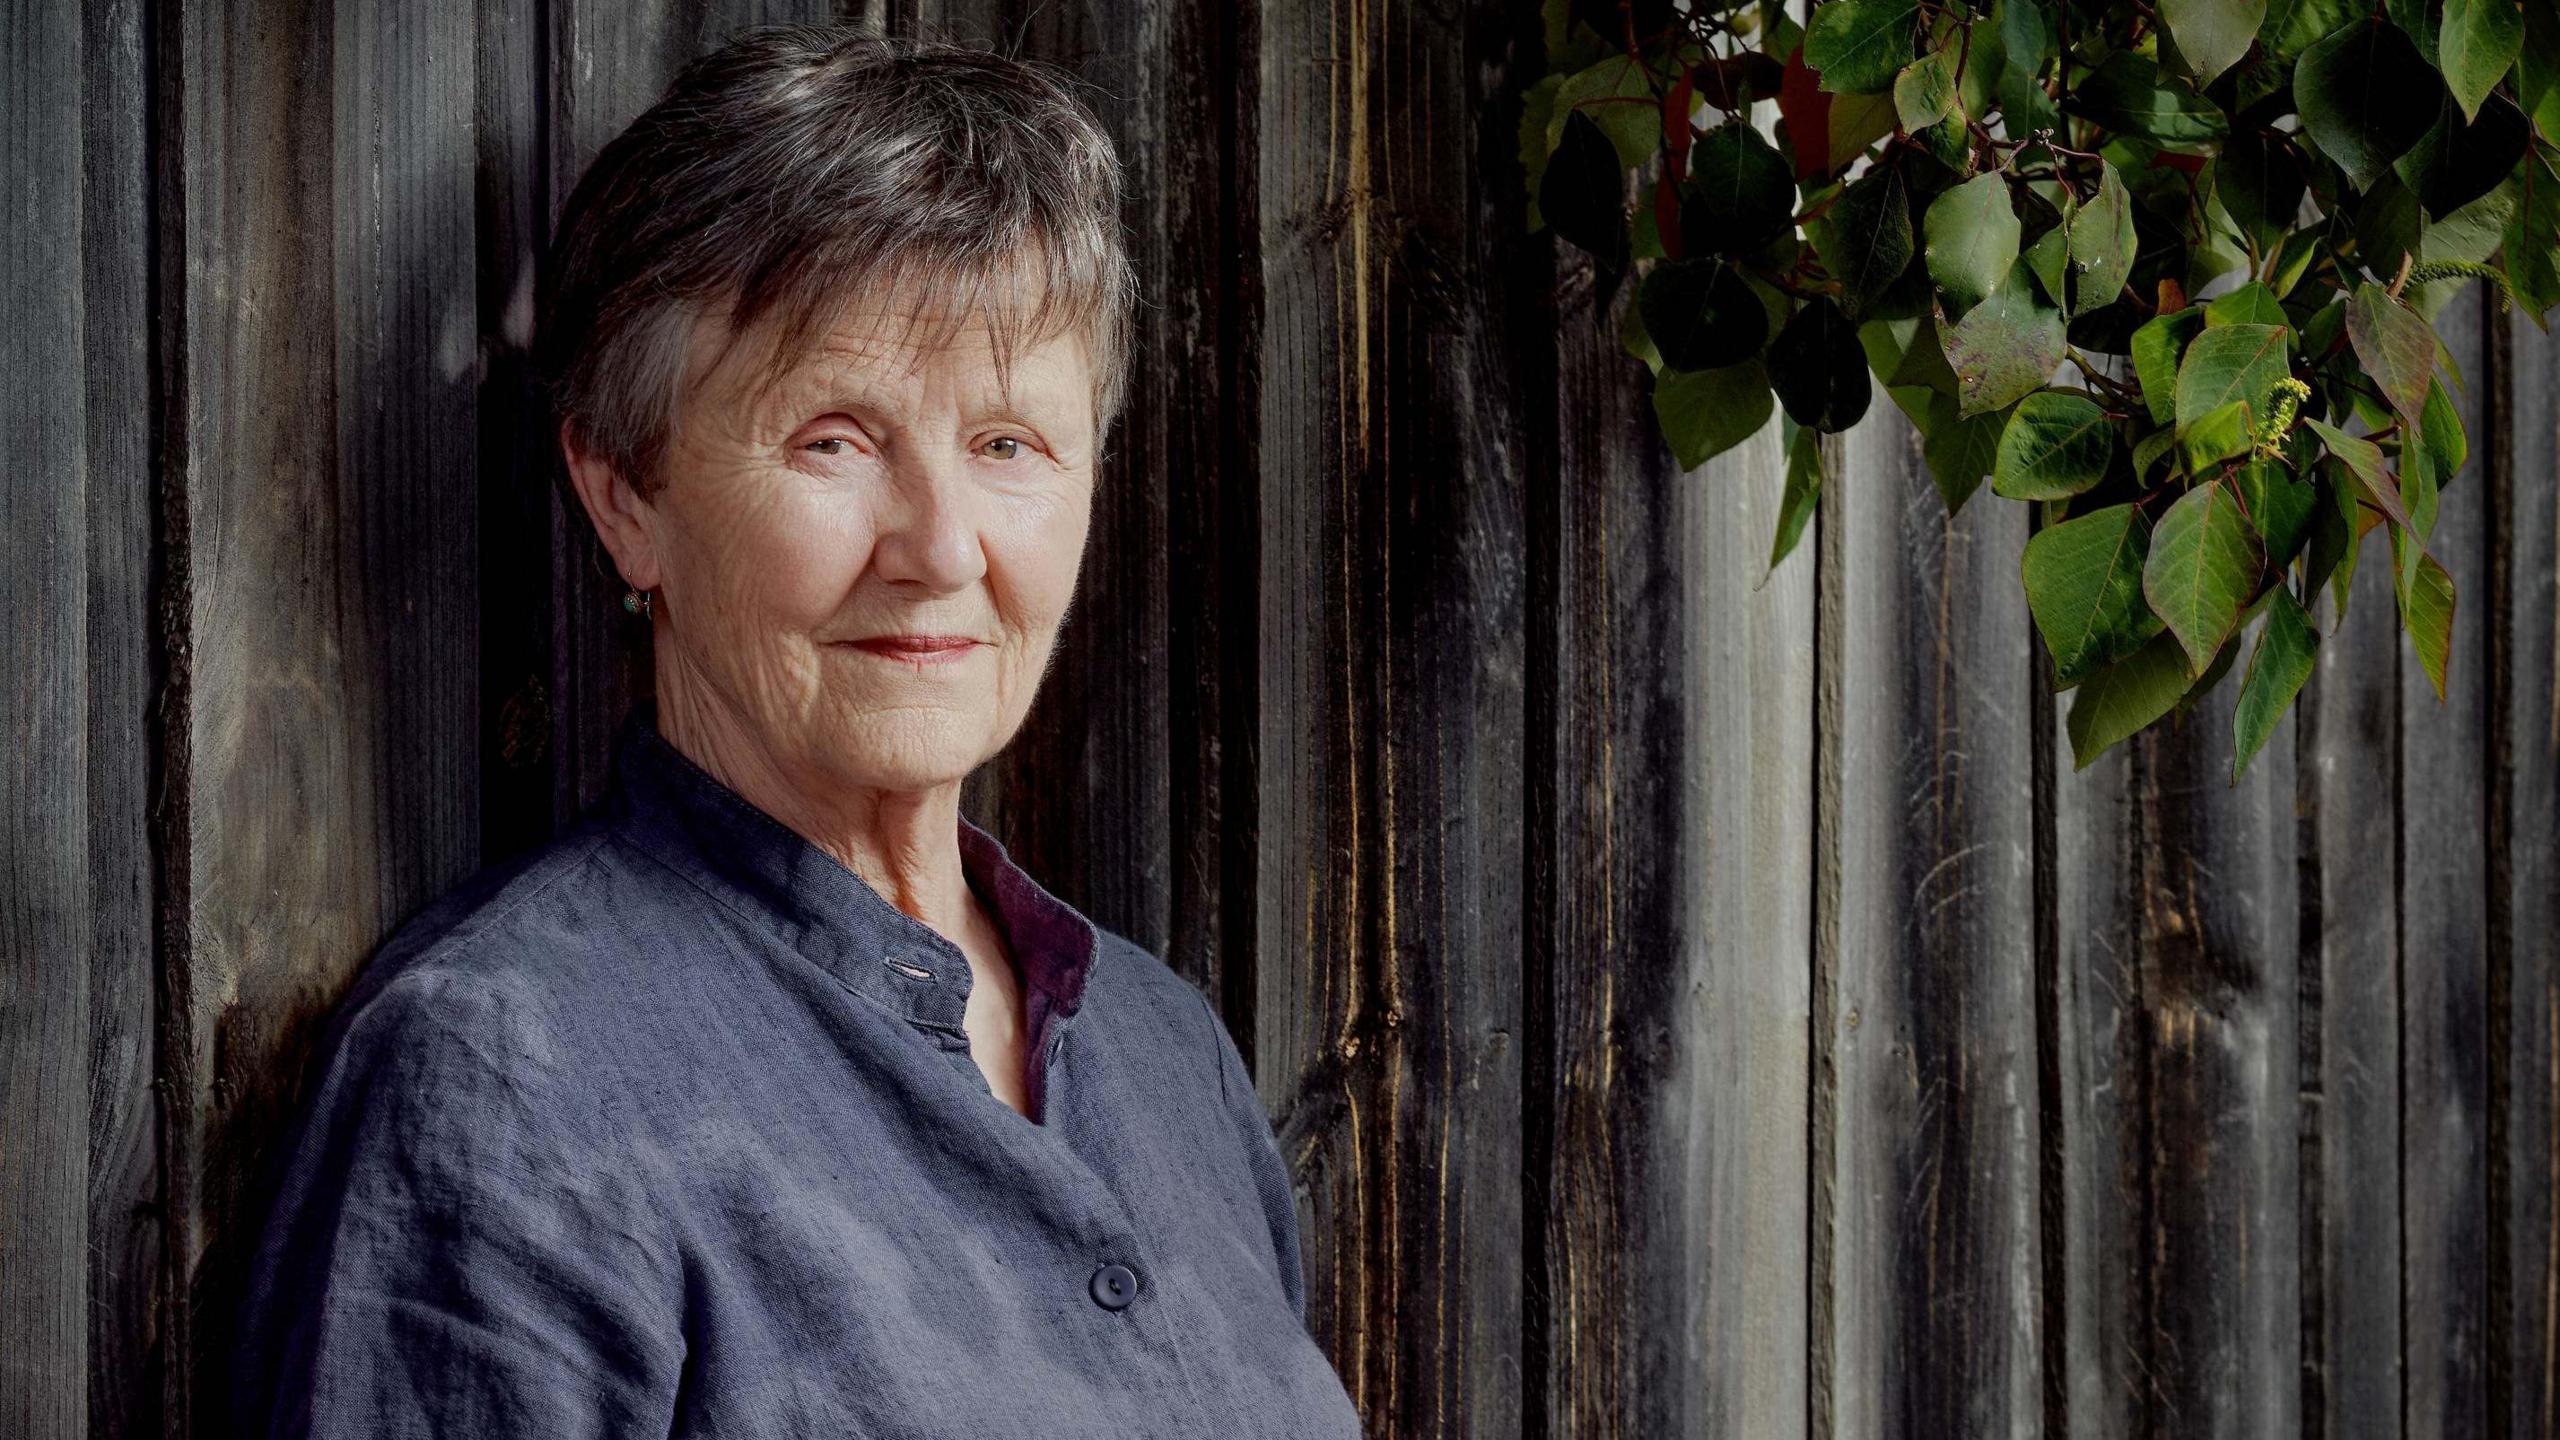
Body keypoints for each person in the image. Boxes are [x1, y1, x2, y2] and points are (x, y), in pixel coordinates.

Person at [226, 24, 1363, 1437]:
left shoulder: (1161, 1052)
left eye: (1008, 444)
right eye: (835, 437)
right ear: (625, 494)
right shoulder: (507, 1085)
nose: (942, 547)